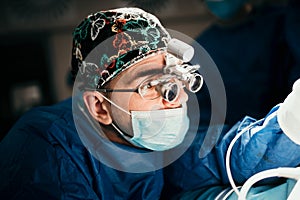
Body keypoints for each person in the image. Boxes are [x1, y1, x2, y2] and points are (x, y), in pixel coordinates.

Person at [0, 7, 299, 200]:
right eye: (150, 85)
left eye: (175, 80)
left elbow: (222, 156)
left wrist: (290, 123)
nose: (176, 97)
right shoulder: (45, 148)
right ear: (100, 107)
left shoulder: (144, 136)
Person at [196, 0, 300, 126]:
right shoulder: (201, 49)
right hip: (235, 138)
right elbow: (203, 120)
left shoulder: (281, 23)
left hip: (288, 128)